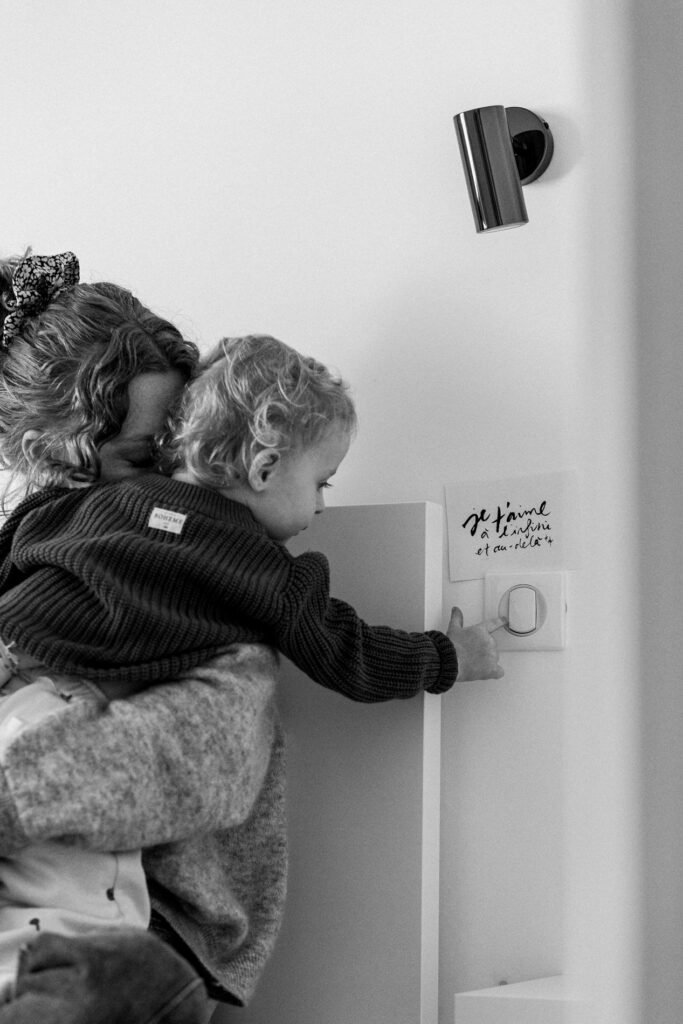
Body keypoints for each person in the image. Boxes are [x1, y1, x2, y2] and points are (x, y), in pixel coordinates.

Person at [0, 251, 502, 1018]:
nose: (173, 472)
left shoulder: (81, 532)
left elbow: (207, 758)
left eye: (177, 439)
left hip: (74, 798)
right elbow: (348, 652)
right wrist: (447, 656)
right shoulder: (251, 566)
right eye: (147, 454)